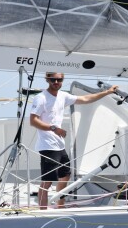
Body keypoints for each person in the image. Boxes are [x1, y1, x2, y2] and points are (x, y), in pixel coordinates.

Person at [30, 72, 118, 209]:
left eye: (59, 80)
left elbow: (86, 99)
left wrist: (107, 92)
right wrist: (54, 128)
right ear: (47, 80)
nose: (56, 82)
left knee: (65, 176)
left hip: (59, 145)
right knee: (47, 182)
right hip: (47, 146)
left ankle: (60, 206)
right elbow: (33, 121)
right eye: (53, 79)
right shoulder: (40, 98)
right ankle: (43, 211)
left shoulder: (63, 96)